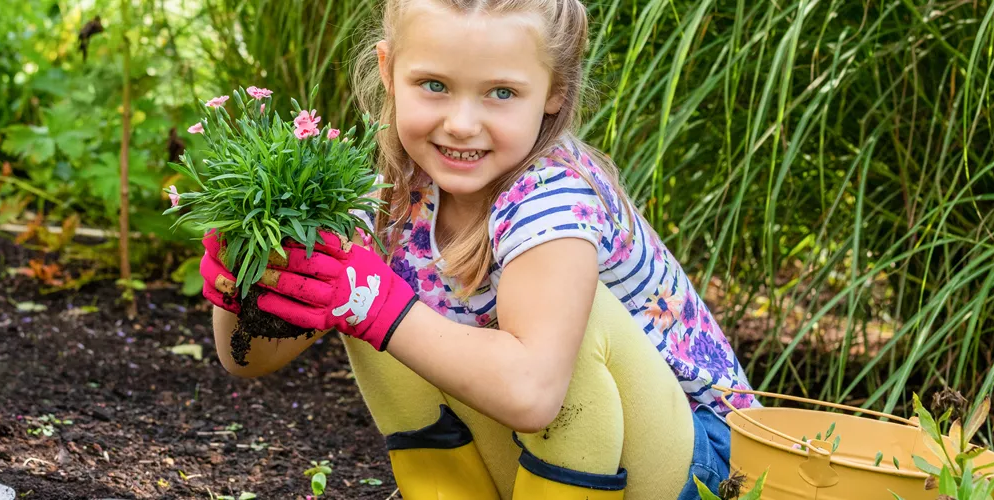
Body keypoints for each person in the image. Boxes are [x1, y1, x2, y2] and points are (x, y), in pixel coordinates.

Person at [201, 0, 759, 498]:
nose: (462, 124)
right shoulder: (386, 194)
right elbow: (250, 360)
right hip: (561, 453)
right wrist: (244, 278)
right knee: (361, 277)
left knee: (415, 305)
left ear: (554, 91)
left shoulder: (555, 196)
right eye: (435, 86)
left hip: (700, 464)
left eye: (501, 93)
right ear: (388, 70)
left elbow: (536, 395)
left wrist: (376, 304)